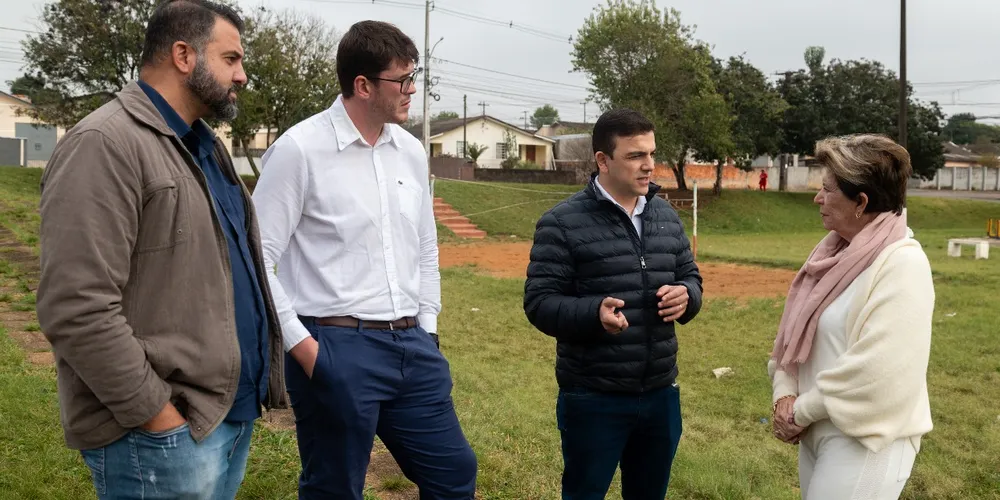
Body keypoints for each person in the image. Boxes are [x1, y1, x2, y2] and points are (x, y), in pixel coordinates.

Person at [36, 0, 286, 498]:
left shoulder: (204, 146)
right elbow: (75, 306)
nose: (242, 75)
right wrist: (157, 416)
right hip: (159, 434)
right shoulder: (105, 143)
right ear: (183, 55)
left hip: (224, 417)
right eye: (231, 59)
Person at [251, 20, 477, 499]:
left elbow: (424, 246)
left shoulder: (411, 152)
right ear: (363, 85)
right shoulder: (298, 151)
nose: (412, 91)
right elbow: (256, 259)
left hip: (412, 346)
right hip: (334, 345)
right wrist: (305, 348)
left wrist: (429, 329)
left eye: (415, 78)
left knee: (454, 473)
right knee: (335, 488)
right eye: (403, 80)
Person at [523, 108, 703, 500]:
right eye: (635, 156)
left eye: (651, 154)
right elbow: (539, 303)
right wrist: (592, 314)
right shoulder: (561, 222)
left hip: (660, 393)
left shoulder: (665, 217)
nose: (649, 166)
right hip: (593, 398)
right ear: (603, 160)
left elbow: (692, 278)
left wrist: (687, 296)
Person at [768, 134, 934, 499]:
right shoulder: (831, 255)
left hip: (867, 439)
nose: (817, 198)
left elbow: (878, 370)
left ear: (861, 201)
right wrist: (784, 395)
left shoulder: (902, 263)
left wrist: (800, 411)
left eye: (827, 190)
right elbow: (792, 339)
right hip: (817, 430)